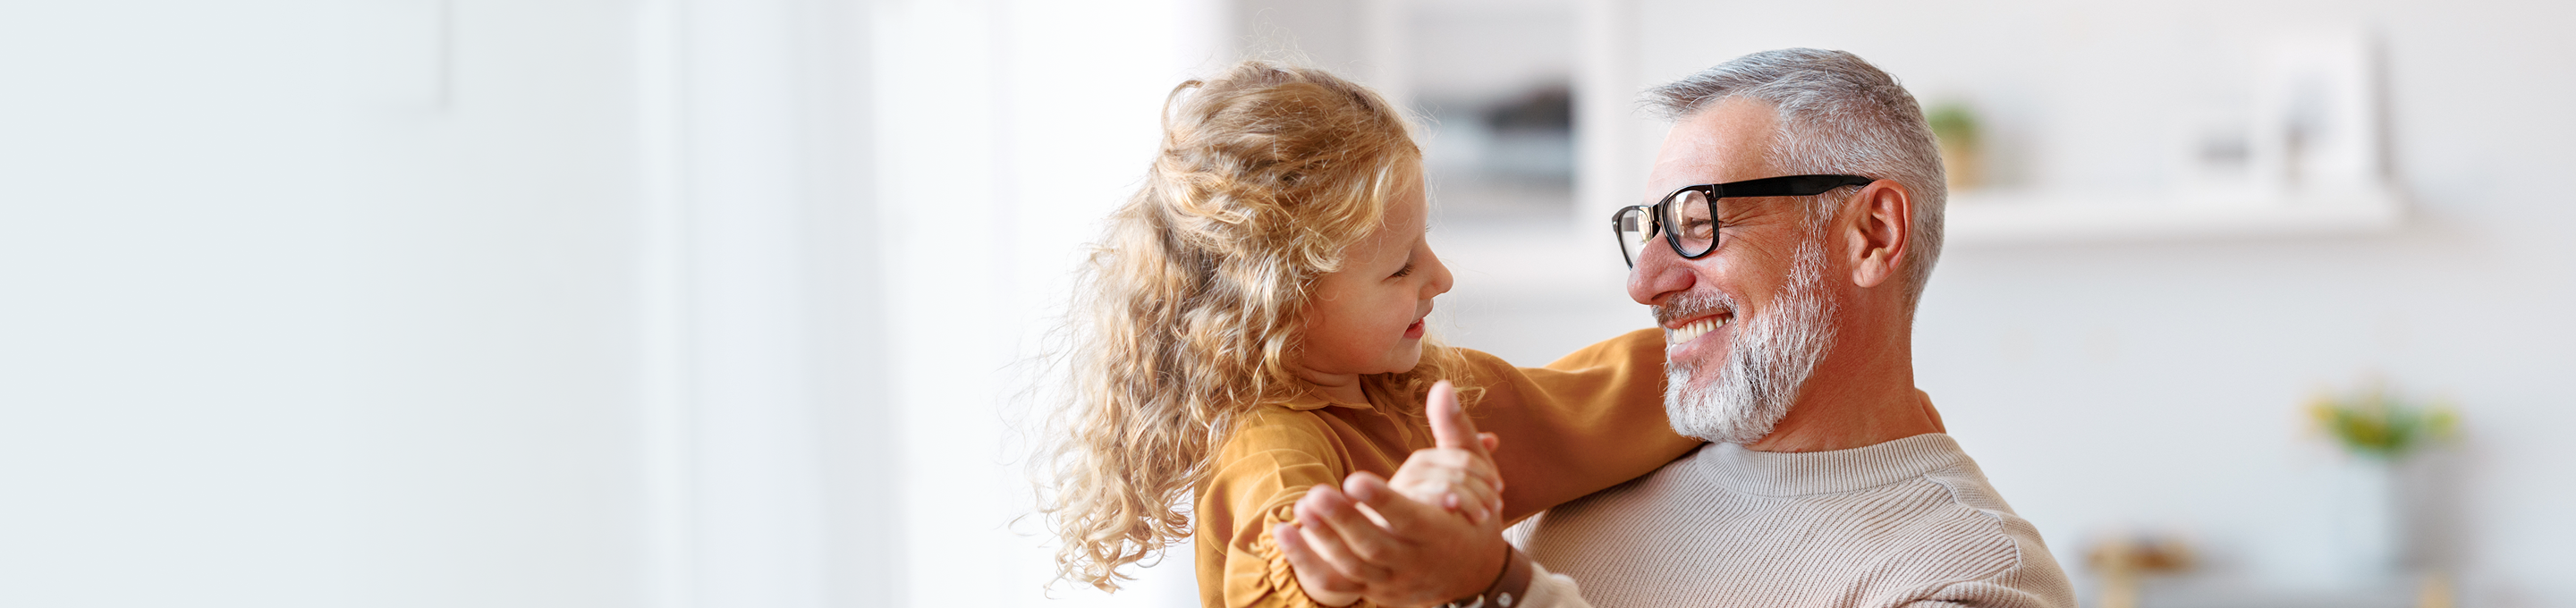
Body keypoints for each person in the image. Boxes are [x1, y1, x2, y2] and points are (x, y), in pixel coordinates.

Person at [1276, 48, 2078, 607]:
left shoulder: (1969, 574)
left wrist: (1492, 587)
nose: (1644, 281)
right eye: (1646, 227)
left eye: (1700, 221)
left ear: (1871, 234)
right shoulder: (1605, 458)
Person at [1035, 61, 1699, 608]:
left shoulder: (1425, 392)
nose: (1439, 277)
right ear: (1278, 304)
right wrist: (1373, 534)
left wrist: (1737, 353)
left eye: (1426, 245)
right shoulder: (1269, 444)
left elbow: (1586, 401)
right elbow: (1293, 557)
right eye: (1400, 266)